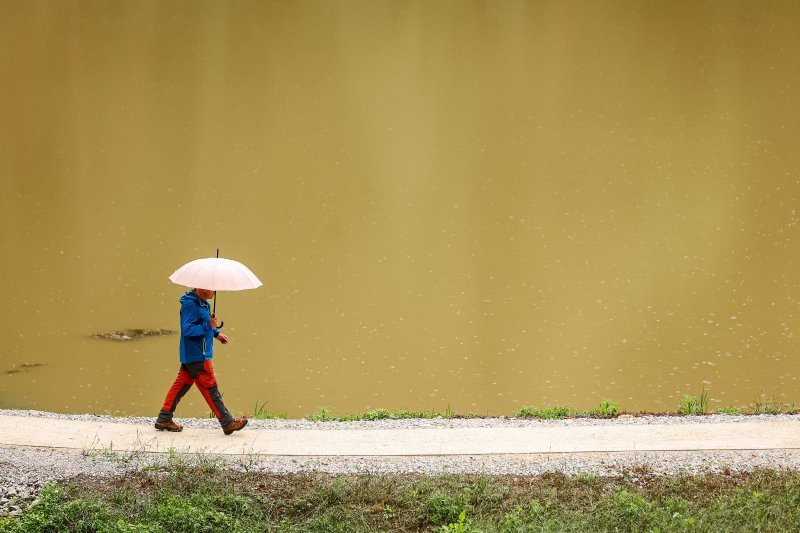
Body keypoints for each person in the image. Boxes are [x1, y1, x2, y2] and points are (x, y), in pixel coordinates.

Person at [155, 288, 248, 435]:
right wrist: (209, 326)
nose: (215, 292)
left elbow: (206, 323)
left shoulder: (204, 303)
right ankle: (227, 423)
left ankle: (164, 418)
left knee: (180, 386)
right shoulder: (190, 305)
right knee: (211, 389)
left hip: (193, 355)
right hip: (198, 355)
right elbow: (187, 330)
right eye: (212, 289)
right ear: (202, 287)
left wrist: (216, 333)